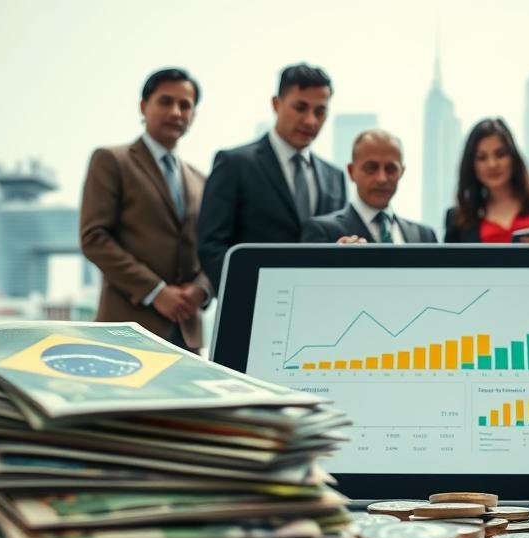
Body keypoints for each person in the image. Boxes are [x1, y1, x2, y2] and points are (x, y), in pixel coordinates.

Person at [80, 68, 210, 352]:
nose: (176, 112)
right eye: (166, 101)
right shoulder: (112, 161)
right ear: (143, 106)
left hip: (186, 336)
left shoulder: (201, 180)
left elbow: (210, 247)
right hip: (125, 332)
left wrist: (201, 289)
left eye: (185, 105)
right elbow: (94, 238)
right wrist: (156, 292)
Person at [197, 63, 347, 291]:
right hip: (252, 308)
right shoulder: (234, 164)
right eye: (300, 107)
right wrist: (247, 296)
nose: (310, 121)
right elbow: (211, 246)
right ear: (276, 104)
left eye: (320, 111)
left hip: (320, 308)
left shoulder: (335, 177)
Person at [444, 118, 529, 244]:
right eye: (482, 158)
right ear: (471, 165)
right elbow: (447, 270)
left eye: (500, 154)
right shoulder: (458, 218)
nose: (492, 164)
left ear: (513, 158)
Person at [301, 129, 437, 244]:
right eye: (371, 168)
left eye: (391, 169)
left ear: (401, 172)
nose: (382, 179)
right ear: (351, 171)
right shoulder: (323, 232)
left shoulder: (425, 236)